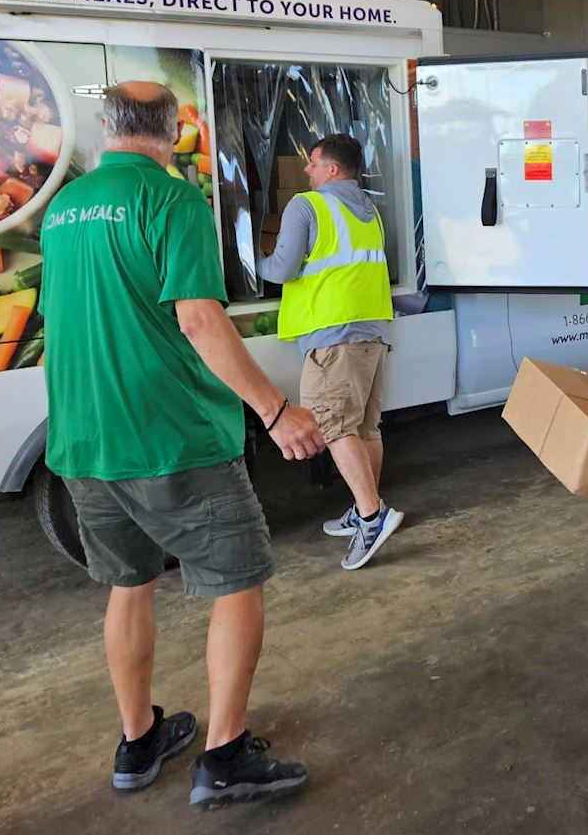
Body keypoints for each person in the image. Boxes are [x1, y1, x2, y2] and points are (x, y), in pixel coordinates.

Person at [41, 81, 323, 810]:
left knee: (129, 583)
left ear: (107, 128)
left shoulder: (63, 208)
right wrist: (274, 408)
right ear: (170, 131)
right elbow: (199, 319)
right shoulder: (173, 201)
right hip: (173, 438)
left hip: (83, 439)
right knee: (237, 581)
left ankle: (139, 741)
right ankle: (224, 756)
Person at [260, 134, 403, 571]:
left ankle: (371, 518)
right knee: (364, 427)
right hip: (371, 332)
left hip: (333, 336)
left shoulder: (309, 205)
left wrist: (253, 263)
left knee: (334, 427)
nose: (307, 170)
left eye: (314, 162)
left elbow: (282, 268)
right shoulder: (368, 210)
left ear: (333, 170)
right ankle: (367, 507)